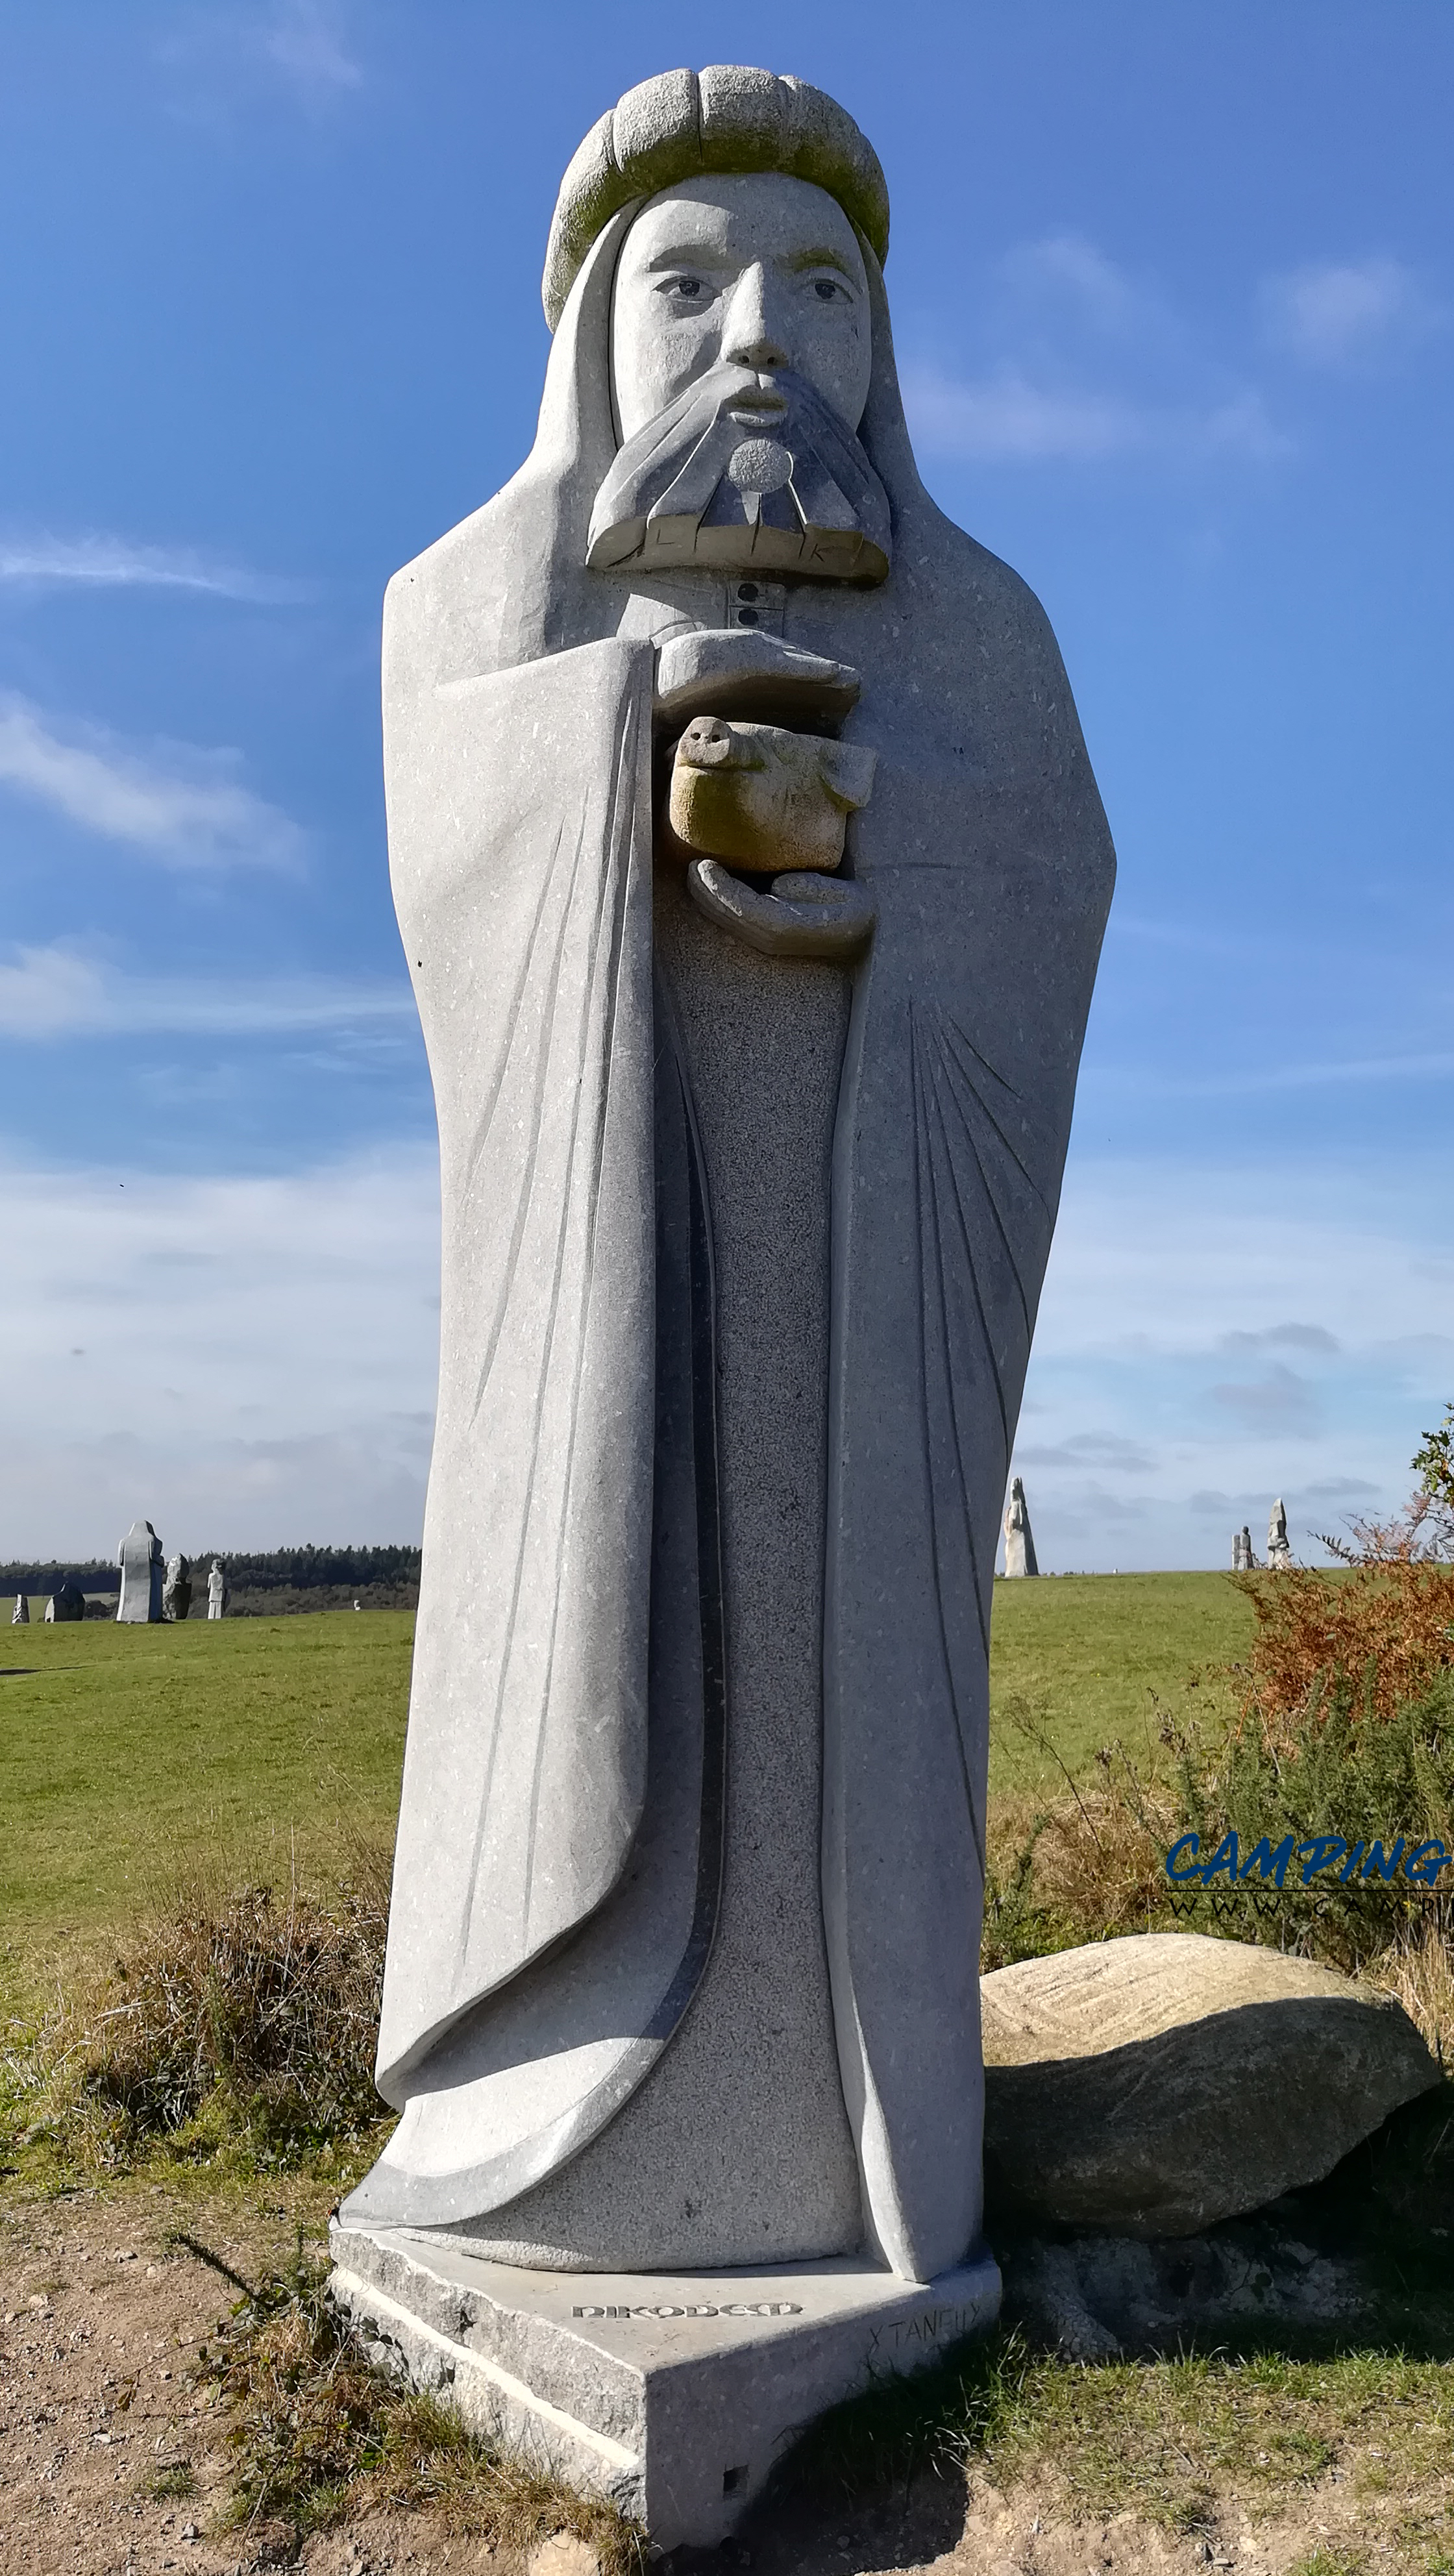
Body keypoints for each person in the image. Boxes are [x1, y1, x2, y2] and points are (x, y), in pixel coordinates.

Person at [345, 66, 1114, 2285]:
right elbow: (448, 874)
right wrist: (628, 733)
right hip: (599, 1318)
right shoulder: (462, 612)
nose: (762, 337)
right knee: (629, 1669)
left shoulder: (990, 637)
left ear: (887, 342)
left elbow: (1051, 879)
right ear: (590, 336)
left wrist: (882, 859)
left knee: (837, 1711)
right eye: (688, 287)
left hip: (862, 1326)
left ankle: (860, 2136)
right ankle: (572, 2118)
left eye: (822, 290)